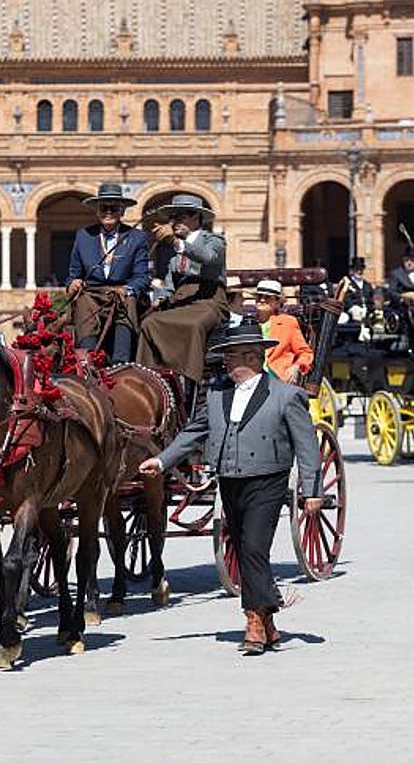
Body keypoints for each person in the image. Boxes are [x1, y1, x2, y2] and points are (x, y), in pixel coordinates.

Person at [138, 322, 323, 655]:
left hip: (268, 480)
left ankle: (253, 620)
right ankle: (268, 621)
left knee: (254, 547)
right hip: (229, 480)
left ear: (252, 357)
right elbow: (193, 433)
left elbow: (307, 445)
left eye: (230, 356)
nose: (224, 362)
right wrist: (162, 461)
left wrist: (311, 490)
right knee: (241, 548)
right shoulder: (217, 395)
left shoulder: (286, 395)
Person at [136, 193, 228, 383]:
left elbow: (208, 257)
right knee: (149, 323)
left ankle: (189, 380)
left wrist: (177, 243)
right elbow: (170, 285)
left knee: (194, 325)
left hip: (209, 302)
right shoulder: (174, 255)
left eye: (181, 217)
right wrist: (161, 297)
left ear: (196, 217)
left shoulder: (214, 240)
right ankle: (147, 378)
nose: (174, 222)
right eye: (173, 217)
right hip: (181, 303)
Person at [66, 183, 151, 364]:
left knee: (127, 300)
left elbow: (142, 278)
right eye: (104, 208)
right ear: (97, 211)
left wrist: (127, 289)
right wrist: (73, 283)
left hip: (122, 292)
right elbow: (73, 274)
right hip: (92, 294)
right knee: (82, 301)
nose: (108, 212)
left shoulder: (137, 237)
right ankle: (89, 360)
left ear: (122, 211)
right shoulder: (84, 236)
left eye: (114, 208)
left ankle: (121, 361)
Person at [252, 280, 313, 383]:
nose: (262, 300)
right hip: (252, 377)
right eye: (259, 296)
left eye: (267, 297)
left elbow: (305, 353)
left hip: (278, 377)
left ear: (277, 302)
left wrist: (296, 366)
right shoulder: (248, 323)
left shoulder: (288, 322)